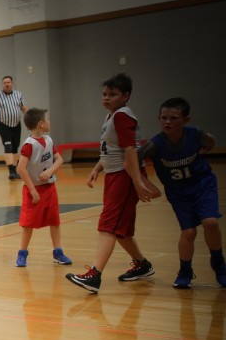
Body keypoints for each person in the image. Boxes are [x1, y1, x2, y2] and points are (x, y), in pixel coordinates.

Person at [67, 73, 161, 293]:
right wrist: (97, 168)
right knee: (122, 230)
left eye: (113, 94)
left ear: (126, 96)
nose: (106, 98)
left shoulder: (122, 117)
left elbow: (130, 151)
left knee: (108, 225)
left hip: (124, 176)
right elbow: (112, 150)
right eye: (104, 94)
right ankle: (142, 264)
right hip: (115, 174)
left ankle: (94, 275)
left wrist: (137, 181)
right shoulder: (112, 116)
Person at [137, 97, 226, 289]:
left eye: (174, 118)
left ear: (186, 120)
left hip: (202, 184)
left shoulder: (195, 134)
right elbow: (134, 162)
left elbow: (210, 141)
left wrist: (205, 149)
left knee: (210, 222)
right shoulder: (155, 144)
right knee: (189, 231)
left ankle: (219, 263)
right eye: (164, 118)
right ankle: (185, 269)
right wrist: (144, 182)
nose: (167, 122)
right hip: (178, 191)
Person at [13, 108, 72, 267]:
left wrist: (50, 171)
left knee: (55, 221)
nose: (49, 122)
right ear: (41, 123)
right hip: (34, 189)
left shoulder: (49, 140)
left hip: (50, 187)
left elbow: (58, 160)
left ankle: (58, 252)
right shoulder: (29, 145)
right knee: (28, 224)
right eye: (47, 119)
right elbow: (20, 169)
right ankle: (22, 254)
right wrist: (32, 190)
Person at [0, 76, 28, 180]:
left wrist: (30, 123)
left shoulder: (18, 95)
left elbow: (24, 109)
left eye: (8, 82)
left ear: (12, 83)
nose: (6, 84)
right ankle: (11, 172)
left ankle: (14, 170)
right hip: (3, 125)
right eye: (4, 82)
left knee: (15, 147)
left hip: (16, 125)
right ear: (2, 84)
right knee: (8, 146)